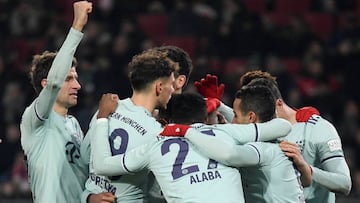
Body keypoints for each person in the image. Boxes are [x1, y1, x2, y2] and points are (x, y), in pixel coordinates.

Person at [91, 92, 292, 202]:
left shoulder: (154, 146)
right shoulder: (224, 133)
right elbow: (283, 126)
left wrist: (102, 118)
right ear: (205, 118)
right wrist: (222, 110)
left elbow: (102, 165)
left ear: (165, 120)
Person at [19, 1, 100, 202]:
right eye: (69, 79)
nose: (78, 85)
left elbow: (80, 177)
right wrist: (77, 27)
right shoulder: (35, 119)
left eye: (76, 78)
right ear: (46, 84)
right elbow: (55, 83)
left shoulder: (72, 124)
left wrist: (89, 197)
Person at [240, 70, 352, 203]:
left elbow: (344, 184)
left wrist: (308, 169)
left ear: (278, 104)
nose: (255, 118)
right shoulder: (258, 129)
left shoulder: (316, 129)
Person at [82, 49, 177, 203]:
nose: (173, 90)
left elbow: (86, 156)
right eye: (171, 84)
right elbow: (156, 193)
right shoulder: (158, 134)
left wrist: (89, 196)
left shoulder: (106, 108)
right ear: (159, 87)